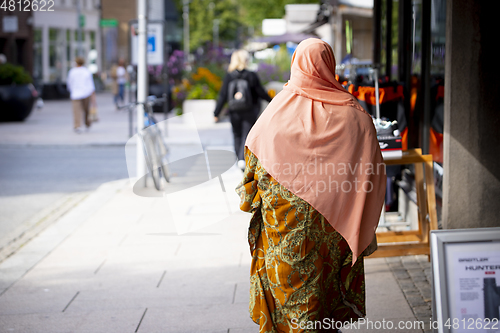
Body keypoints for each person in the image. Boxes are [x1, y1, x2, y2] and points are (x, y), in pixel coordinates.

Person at [236, 39, 387, 332]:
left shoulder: (275, 113)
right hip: (333, 227)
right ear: (329, 65)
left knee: (289, 293)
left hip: (284, 226)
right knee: (324, 291)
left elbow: (252, 170)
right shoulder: (356, 115)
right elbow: (372, 174)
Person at [213, 49, 272, 170]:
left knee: (237, 134)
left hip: (234, 111)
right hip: (250, 111)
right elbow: (260, 92)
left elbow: (223, 95)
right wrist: (273, 101)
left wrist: (216, 112)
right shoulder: (251, 75)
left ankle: (239, 159)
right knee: (247, 134)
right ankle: (242, 158)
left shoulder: (229, 76)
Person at [67, 57, 95, 133]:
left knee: (76, 111)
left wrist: (71, 90)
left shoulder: (72, 71)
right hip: (86, 93)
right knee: (86, 110)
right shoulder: (86, 71)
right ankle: (87, 123)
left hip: (75, 93)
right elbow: (91, 85)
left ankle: (77, 125)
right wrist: (92, 95)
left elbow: (69, 83)